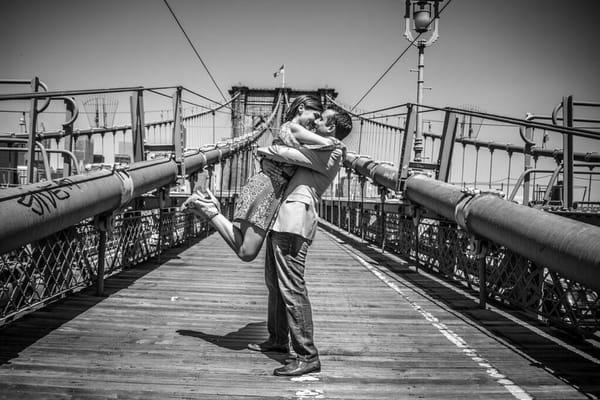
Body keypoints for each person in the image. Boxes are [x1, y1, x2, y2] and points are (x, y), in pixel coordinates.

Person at [187, 98, 352, 377]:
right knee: (275, 284)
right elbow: (292, 150)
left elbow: (289, 154)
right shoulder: (323, 147)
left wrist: (266, 149)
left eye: (322, 119)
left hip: (294, 222)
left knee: (291, 289)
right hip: (283, 220)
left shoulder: (333, 150)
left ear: (332, 126)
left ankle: (307, 355)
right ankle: (277, 339)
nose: (316, 121)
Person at [183, 95, 332, 261]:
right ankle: (208, 209)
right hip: (267, 190)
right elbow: (330, 145)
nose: (316, 122)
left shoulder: (288, 129)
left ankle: (209, 209)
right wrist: (335, 137)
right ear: (301, 108)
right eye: (316, 116)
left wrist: (264, 159)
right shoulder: (293, 128)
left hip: (267, 188)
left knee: (246, 250)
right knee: (247, 251)